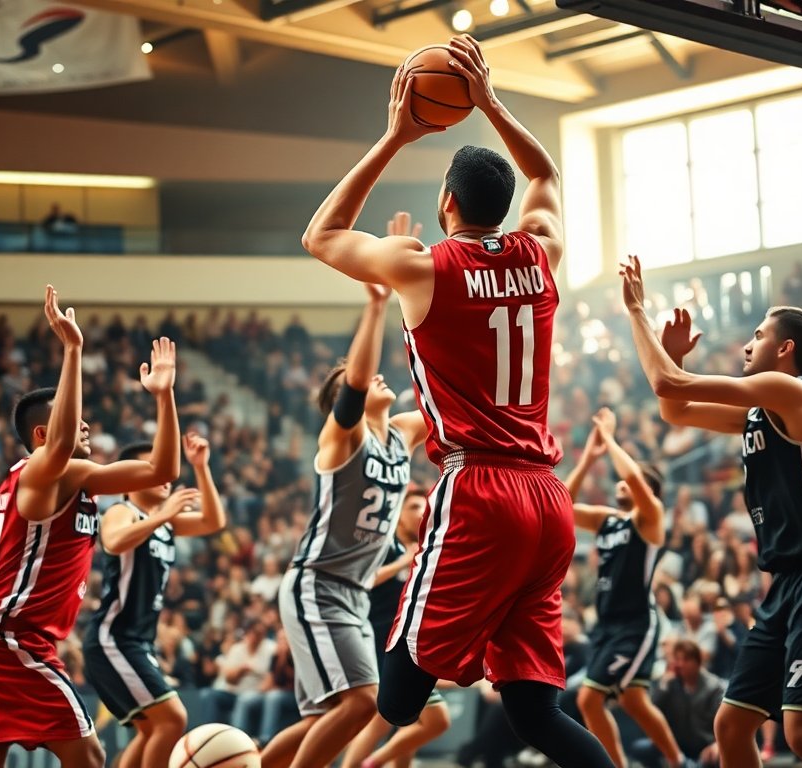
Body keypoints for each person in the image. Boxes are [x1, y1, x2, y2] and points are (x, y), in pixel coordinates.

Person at [299, 34, 611, 768]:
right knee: (537, 713)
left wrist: (396, 134)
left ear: (445, 203)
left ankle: (457, 646)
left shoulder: (423, 266)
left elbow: (321, 235)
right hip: (546, 499)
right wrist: (492, 103)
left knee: (400, 701)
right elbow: (545, 172)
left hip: (479, 489)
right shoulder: (540, 250)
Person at [620, 274, 802, 768]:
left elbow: (667, 384)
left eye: (758, 335)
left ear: (786, 348)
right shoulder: (760, 407)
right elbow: (677, 411)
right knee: (731, 727)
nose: (748, 344)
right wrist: (677, 358)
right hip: (785, 582)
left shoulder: (792, 391)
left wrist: (637, 314)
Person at [0, 286, 180, 768]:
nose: (86, 427)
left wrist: (164, 399)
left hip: (11, 634)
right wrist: (73, 350)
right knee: (89, 755)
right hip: (7, 633)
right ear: (43, 434)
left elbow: (162, 471)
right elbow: (58, 447)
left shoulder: (84, 478)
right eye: (73, 422)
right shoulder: (36, 471)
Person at [260, 277, 429, 768]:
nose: (376, 377)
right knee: (360, 702)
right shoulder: (341, 438)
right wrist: (376, 307)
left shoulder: (400, 434)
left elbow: (447, 401)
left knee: (325, 718)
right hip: (318, 583)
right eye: (360, 377)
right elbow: (354, 386)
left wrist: (416, 295)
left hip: (350, 593)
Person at [84, 433, 226, 768]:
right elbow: (114, 541)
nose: (165, 476)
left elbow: (213, 521)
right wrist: (163, 515)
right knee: (172, 719)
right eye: (154, 467)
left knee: (152, 730)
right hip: (113, 638)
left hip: (137, 641)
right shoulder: (123, 510)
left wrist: (201, 468)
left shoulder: (163, 524)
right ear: (133, 478)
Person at [565, 410, 687, 768]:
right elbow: (563, 504)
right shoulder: (607, 520)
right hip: (607, 623)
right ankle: (679, 762)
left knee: (589, 699)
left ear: (648, 489)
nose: (623, 482)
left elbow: (632, 476)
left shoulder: (650, 518)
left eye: (635, 481)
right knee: (634, 702)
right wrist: (590, 456)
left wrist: (612, 438)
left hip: (635, 624)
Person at [342, 488, 450, 768]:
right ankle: (369, 763)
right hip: (379, 641)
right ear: (397, 515)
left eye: (423, 507)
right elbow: (362, 579)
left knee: (402, 717)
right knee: (434, 719)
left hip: (408, 643)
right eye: (412, 507)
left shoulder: (426, 549)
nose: (420, 513)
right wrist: (403, 562)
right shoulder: (386, 546)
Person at [633, 640, 725, 768]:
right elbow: (652, 711)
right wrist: (664, 684)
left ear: (697, 662)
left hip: (704, 747)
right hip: (676, 745)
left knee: (716, 757)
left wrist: (718, 744)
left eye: (686, 659)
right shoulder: (670, 684)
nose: (680, 664)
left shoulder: (715, 687)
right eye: (678, 659)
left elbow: (724, 724)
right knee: (641, 748)